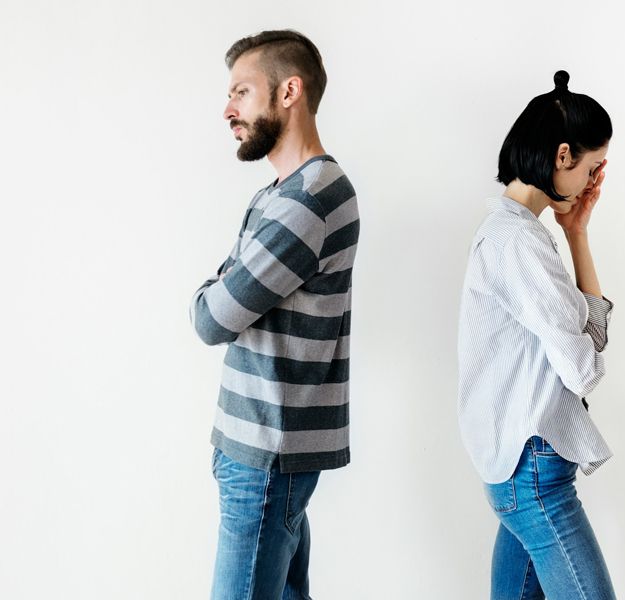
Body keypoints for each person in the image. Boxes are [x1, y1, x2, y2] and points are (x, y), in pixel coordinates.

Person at [189, 30, 359, 600]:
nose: (227, 109)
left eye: (241, 91)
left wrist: (221, 286)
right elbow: (225, 298)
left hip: (266, 453)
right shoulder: (276, 195)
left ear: (289, 91)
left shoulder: (312, 197)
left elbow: (212, 318)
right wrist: (226, 285)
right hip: (255, 449)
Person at [457, 70, 616, 600]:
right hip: (533, 472)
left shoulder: (515, 232)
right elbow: (584, 369)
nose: (592, 181)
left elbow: (586, 337)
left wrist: (577, 233)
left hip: (521, 468)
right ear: (563, 154)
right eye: (592, 167)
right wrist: (586, 349)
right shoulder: (518, 244)